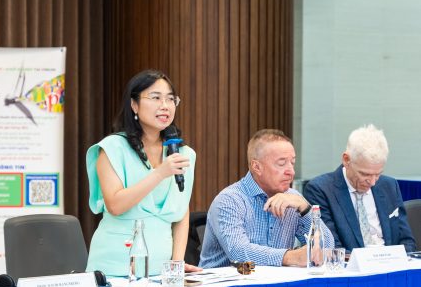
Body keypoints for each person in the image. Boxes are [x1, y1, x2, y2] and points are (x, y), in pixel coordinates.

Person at [86, 69, 199, 276]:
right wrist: (159, 173)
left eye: (170, 99)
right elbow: (115, 205)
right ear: (134, 104)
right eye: (155, 98)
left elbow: (182, 212)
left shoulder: (183, 154)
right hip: (115, 267)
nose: (165, 105)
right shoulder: (112, 148)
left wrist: (176, 263)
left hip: (162, 269)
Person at [199, 129, 334, 268]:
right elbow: (238, 253)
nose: (291, 171)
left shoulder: (293, 199)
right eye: (281, 164)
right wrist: (290, 257)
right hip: (228, 281)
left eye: (292, 163)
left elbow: (327, 249)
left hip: (276, 281)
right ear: (257, 167)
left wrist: (305, 208)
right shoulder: (229, 200)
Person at [304, 124, 417, 252]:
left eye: (378, 174)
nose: (372, 182)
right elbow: (331, 248)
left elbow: (407, 241)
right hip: (352, 262)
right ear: (346, 160)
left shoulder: (389, 185)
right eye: (365, 174)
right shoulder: (321, 190)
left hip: (391, 261)